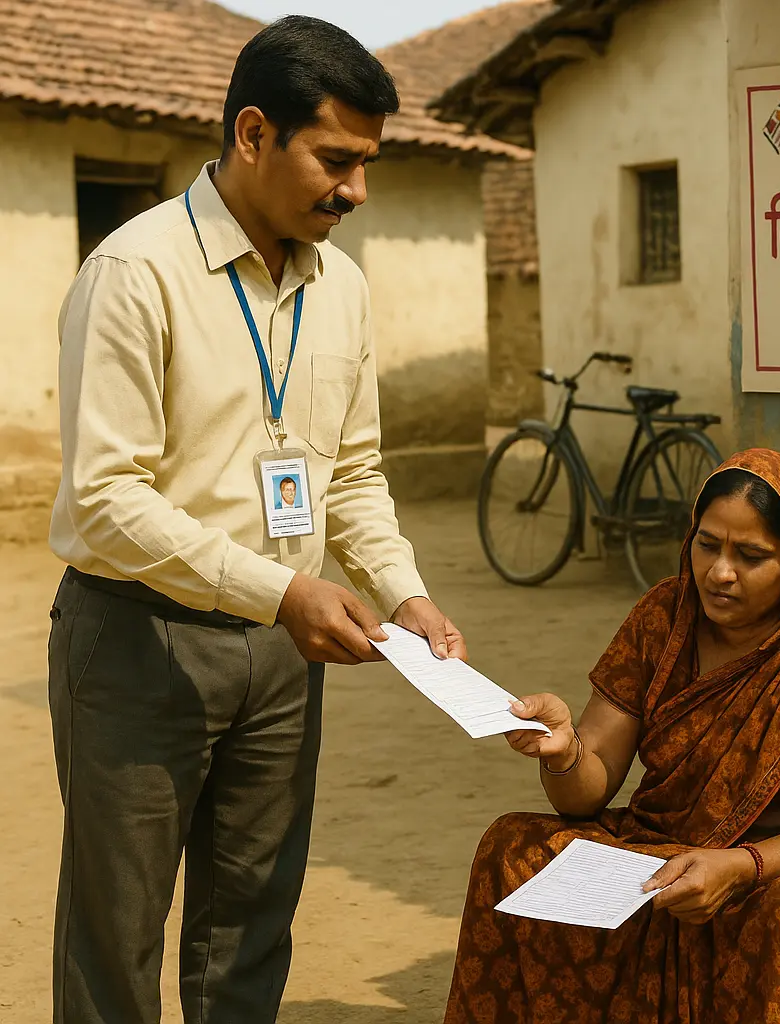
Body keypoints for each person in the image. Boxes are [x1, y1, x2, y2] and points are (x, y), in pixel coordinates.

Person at [48, 17, 463, 1024]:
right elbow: (108, 499)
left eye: (365, 165)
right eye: (334, 159)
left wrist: (404, 590)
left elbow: (353, 475)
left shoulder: (344, 290)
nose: (354, 191)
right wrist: (285, 589)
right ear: (250, 134)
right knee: (117, 934)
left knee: (250, 925)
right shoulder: (134, 274)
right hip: (139, 639)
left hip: (283, 656)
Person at [443, 449, 780, 1023]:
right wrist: (565, 750)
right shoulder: (665, 617)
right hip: (664, 851)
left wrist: (738, 866)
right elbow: (586, 793)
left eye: (751, 555)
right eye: (707, 544)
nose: (720, 571)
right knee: (510, 848)